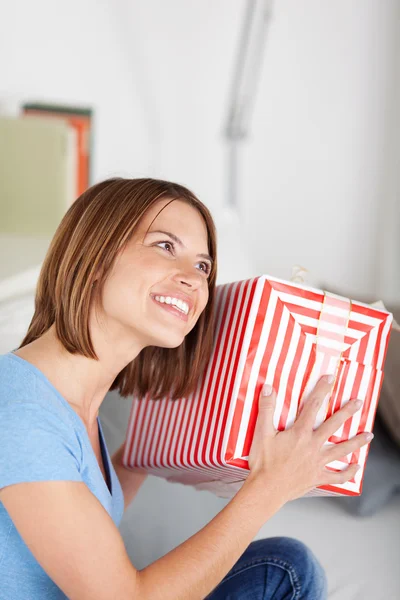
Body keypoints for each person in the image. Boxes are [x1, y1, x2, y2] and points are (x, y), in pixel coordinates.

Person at [0, 178, 371, 599]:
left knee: (285, 566)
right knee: (287, 571)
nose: (193, 280)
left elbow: (79, 518)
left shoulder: (67, 402)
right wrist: (270, 488)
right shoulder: (22, 411)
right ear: (95, 254)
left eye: (203, 266)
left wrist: (147, 450)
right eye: (164, 246)